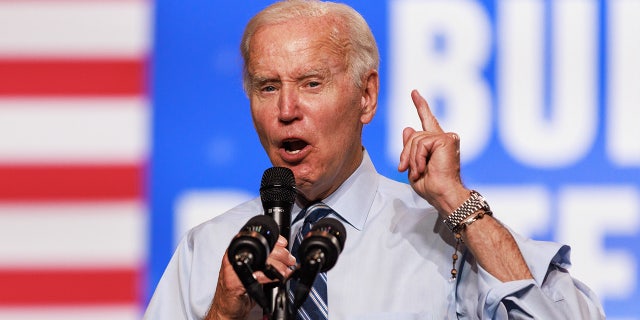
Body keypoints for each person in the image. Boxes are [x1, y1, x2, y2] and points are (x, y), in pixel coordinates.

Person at [144, 1, 605, 319]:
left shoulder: (443, 238)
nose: (286, 110)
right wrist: (224, 312)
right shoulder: (208, 250)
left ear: (366, 96)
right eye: (268, 87)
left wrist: (459, 203)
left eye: (311, 83)